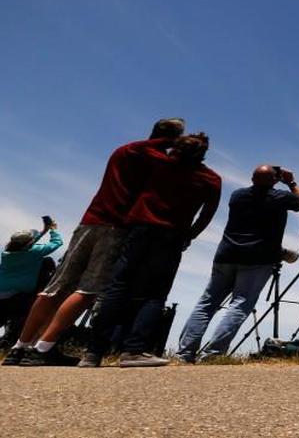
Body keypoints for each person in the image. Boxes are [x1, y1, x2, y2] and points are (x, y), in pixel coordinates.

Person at [5, 118, 185, 368]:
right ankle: (43, 348)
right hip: (117, 226)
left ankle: (18, 347)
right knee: (88, 289)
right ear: (176, 137)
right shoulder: (160, 161)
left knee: (56, 286)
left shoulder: (124, 150)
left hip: (89, 221)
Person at [83, 133, 222, 368]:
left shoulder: (157, 161)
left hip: (139, 228)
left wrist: (170, 138)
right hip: (173, 235)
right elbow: (207, 213)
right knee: (155, 293)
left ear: (176, 148)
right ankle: (134, 350)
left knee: (118, 286)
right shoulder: (210, 178)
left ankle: (93, 352)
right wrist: (191, 234)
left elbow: (134, 148)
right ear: (203, 154)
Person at [176, 165, 299, 362]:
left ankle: (184, 353)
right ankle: (212, 355)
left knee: (207, 303)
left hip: (226, 254)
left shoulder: (237, 196)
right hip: (257, 260)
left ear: (252, 178)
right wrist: (290, 181)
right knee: (240, 304)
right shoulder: (279, 198)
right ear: (275, 180)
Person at [0, 221, 63, 347]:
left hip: (2, 292)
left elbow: (26, 243)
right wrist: (53, 230)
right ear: (30, 244)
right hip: (20, 294)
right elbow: (57, 243)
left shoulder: (6, 254)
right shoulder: (35, 252)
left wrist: (43, 231)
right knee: (19, 318)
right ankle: (10, 341)